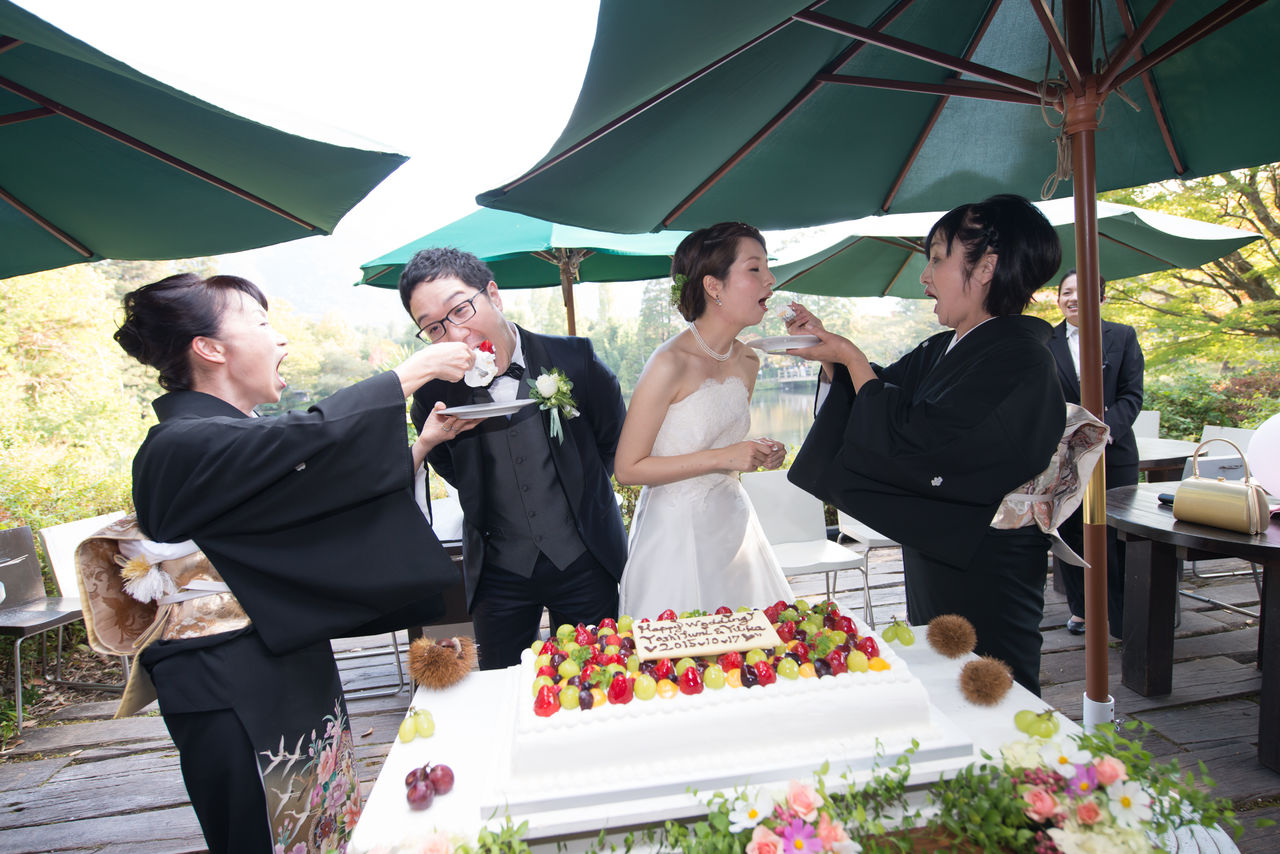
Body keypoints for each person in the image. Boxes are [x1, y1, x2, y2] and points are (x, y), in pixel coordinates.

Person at [108, 273, 467, 853]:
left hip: (287, 658)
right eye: (260, 323)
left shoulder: (228, 436)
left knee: (322, 823)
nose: (280, 339)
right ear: (210, 348)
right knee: (264, 832)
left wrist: (422, 445)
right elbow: (309, 436)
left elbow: (323, 501)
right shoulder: (175, 444)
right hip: (228, 683)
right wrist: (408, 375)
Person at [785, 194, 1067, 695]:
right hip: (937, 546)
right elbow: (881, 395)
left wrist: (852, 358)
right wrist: (832, 356)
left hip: (986, 560)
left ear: (987, 267)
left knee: (993, 688)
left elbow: (922, 437)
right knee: (942, 681)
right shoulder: (946, 346)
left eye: (937, 259)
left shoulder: (1022, 357)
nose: (925, 276)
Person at [399, 248, 628, 670]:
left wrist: (579, 501)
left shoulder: (574, 359)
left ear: (493, 295)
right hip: (498, 572)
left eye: (460, 309)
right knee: (502, 685)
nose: (454, 334)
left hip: (584, 559)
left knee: (596, 675)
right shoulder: (433, 392)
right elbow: (448, 465)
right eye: (433, 328)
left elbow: (612, 440)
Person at [614, 222, 792, 619]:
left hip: (734, 529)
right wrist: (725, 457)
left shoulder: (748, 360)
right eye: (755, 268)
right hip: (675, 535)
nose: (770, 279)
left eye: (767, 267)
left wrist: (759, 452)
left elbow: (726, 445)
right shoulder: (669, 362)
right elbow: (627, 469)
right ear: (714, 286)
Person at [1048, 270, 1144, 638]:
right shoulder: (1044, 341)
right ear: (1058, 299)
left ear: (1102, 299)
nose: (1073, 298)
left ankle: (1120, 618)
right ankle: (1082, 609)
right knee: (1070, 531)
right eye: (1066, 292)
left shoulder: (1122, 336)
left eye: (1084, 292)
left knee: (1115, 536)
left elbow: (1131, 394)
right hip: (1064, 454)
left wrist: (1103, 432)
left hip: (1114, 454)